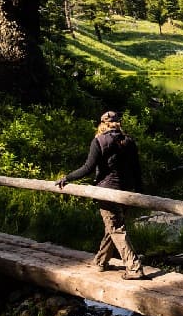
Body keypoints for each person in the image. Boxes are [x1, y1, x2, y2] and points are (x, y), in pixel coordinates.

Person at [56, 110, 146, 280]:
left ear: (103, 124)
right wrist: (139, 192)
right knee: (111, 228)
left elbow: (87, 168)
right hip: (126, 192)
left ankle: (134, 268)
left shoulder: (99, 141)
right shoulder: (129, 141)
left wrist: (67, 178)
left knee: (116, 229)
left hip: (107, 191)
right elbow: (137, 170)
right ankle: (101, 262)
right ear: (119, 123)